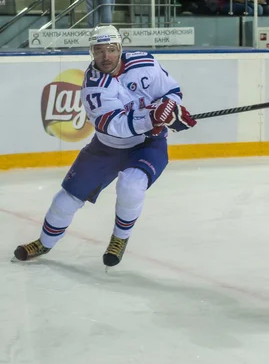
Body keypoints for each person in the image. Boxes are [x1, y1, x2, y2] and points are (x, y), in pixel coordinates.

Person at [13, 25, 197, 268]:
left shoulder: (146, 63)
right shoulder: (93, 86)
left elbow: (171, 91)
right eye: (99, 51)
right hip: (106, 147)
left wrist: (170, 109)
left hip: (147, 144)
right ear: (91, 52)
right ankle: (45, 242)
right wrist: (154, 118)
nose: (106, 56)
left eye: (111, 49)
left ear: (120, 48)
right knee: (66, 199)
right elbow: (115, 126)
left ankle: (119, 239)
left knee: (131, 185)